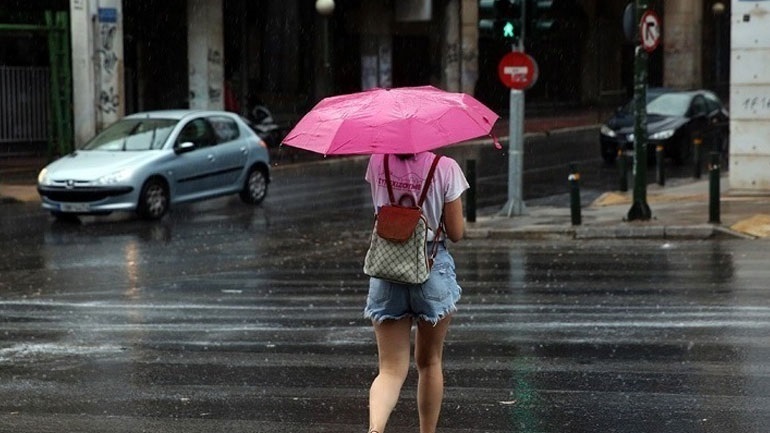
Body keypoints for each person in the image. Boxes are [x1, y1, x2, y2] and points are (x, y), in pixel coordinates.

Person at [363, 151, 469, 433]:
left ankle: (375, 429)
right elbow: (456, 232)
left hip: (387, 269)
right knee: (429, 361)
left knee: (390, 369)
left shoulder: (377, 162)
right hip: (431, 269)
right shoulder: (445, 168)